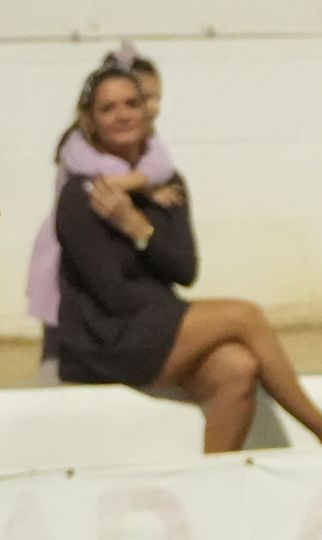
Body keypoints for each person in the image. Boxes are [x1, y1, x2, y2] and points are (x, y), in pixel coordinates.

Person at [53, 66, 322, 453]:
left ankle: (213, 483)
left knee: (238, 367)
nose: (123, 114)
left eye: (132, 103)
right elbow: (111, 294)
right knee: (244, 316)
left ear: (148, 110)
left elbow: (184, 269)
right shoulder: (84, 193)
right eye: (108, 108)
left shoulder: (168, 183)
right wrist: (184, 321)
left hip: (152, 325)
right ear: (91, 121)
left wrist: (137, 226)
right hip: (103, 339)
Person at [28, 42, 180, 381]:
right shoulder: (78, 143)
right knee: (60, 330)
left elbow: (163, 165)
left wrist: (144, 181)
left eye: (151, 98)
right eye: (146, 96)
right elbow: (100, 181)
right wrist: (145, 186)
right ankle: (50, 390)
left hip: (106, 244)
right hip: (63, 247)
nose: (152, 107)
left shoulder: (148, 144)